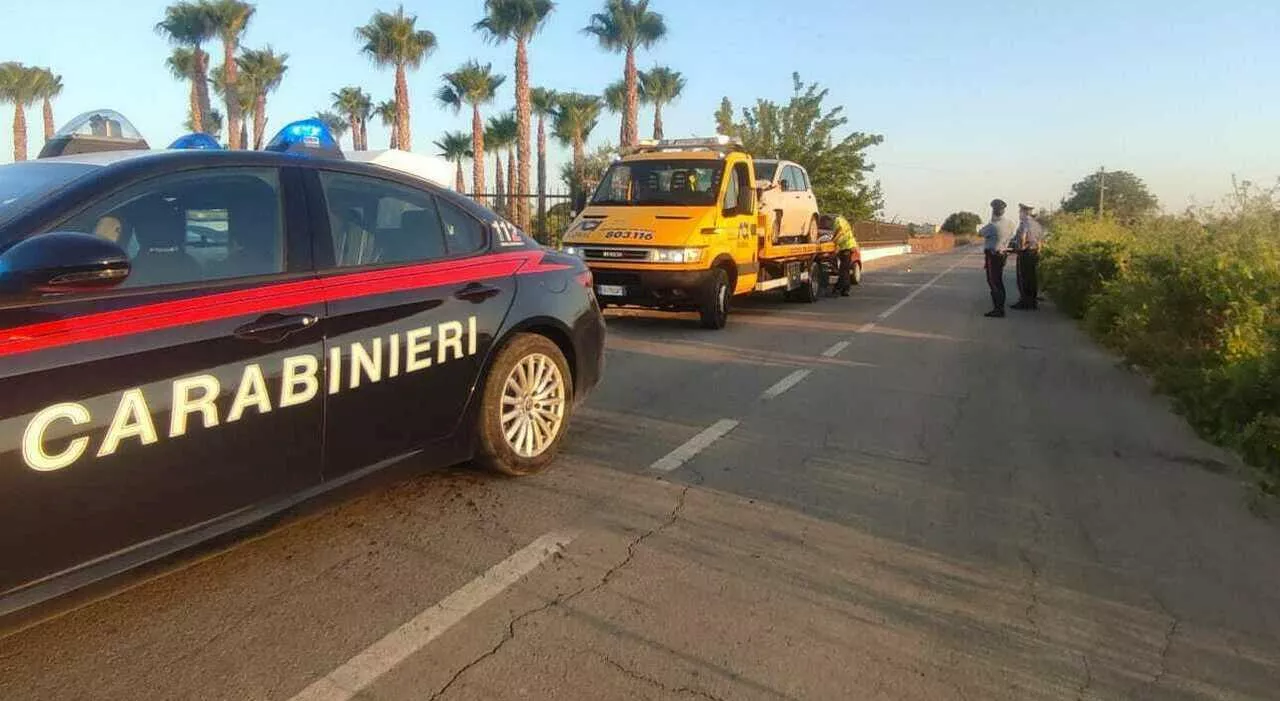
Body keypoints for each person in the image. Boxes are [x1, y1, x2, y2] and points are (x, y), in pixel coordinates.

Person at [978, 198, 1016, 317]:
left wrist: (991, 220)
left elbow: (981, 233)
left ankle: (998, 309)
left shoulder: (993, 225)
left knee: (993, 282)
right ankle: (1000, 306)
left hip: (993, 255)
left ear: (994, 211)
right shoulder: (1010, 223)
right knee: (999, 281)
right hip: (1003, 254)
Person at [1011, 203, 1043, 310]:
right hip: (1034, 252)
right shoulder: (1037, 224)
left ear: (1024, 212)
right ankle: (1032, 302)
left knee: (1023, 278)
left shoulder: (1025, 222)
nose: (1019, 214)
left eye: (1020, 212)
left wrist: (1020, 247)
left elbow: (1023, 235)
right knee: (1032, 278)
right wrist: (1038, 250)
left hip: (1026, 252)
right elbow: (1040, 240)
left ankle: (1024, 302)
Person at [832, 214, 858, 296]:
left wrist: (833, 241)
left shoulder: (838, 220)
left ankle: (842, 289)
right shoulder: (844, 221)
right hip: (847, 247)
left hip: (847, 247)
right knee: (844, 269)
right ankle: (840, 289)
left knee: (844, 270)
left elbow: (840, 232)